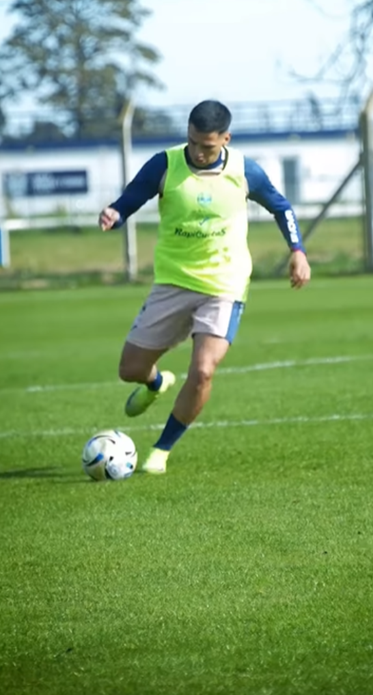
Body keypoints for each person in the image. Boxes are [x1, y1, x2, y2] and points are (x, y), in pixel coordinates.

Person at [98, 100, 311, 475]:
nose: (198, 152)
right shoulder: (166, 164)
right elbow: (131, 197)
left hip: (224, 285)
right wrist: (115, 213)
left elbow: (282, 208)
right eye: (193, 142)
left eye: (208, 146)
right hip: (173, 282)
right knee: (130, 369)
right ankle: (156, 382)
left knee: (204, 370)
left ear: (225, 139)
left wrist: (297, 251)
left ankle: (161, 451)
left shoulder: (246, 171)